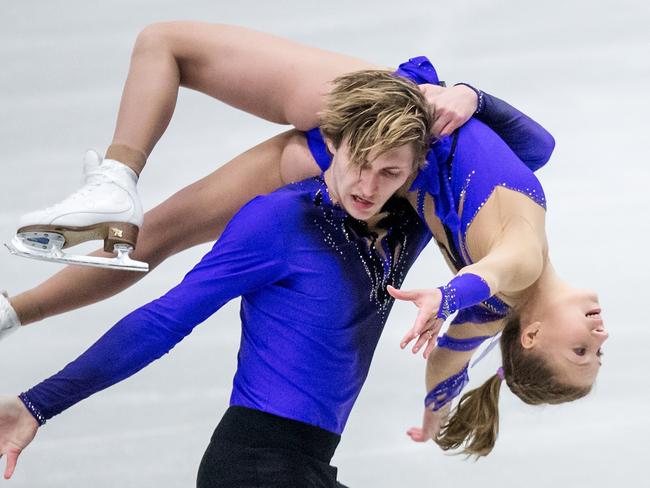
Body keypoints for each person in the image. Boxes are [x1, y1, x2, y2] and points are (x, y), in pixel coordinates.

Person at [1, 23, 606, 457]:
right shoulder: (494, 300)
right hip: (395, 131)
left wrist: (440, 411)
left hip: (377, 140)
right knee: (152, 233)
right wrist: (470, 98)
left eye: (581, 351)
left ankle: (107, 189)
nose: (601, 336)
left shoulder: (509, 281)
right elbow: (468, 322)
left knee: (166, 54)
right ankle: (24, 297)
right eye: (595, 353)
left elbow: (469, 327)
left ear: (529, 337)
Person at [0, 70, 434, 485]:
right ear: (332, 142)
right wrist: (38, 403)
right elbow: (163, 319)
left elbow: (500, 162)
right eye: (360, 162)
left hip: (307, 467)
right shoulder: (279, 220)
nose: (368, 186)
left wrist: (472, 97)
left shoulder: (407, 223)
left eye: (389, 173)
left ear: (413, 171)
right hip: (254, 468)